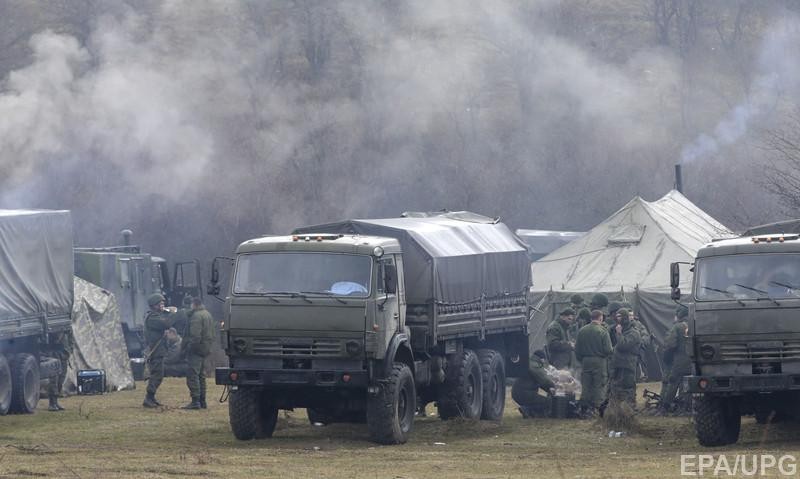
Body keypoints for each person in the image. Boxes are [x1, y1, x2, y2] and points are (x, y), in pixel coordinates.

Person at [143, 293, 179, 408]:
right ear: (154, 305)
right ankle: (149, 398)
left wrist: (167, 312)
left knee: (158, 374)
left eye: (163, 303)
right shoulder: (152, 318)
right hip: (156, 350)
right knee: (157, 375)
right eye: (160, 303)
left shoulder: (157, 315)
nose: (162, 305)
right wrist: (173, 313)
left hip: (159, 350)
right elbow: (166, 323)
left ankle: (151, 398)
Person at [575, 310, 613, 417]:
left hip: (585, 361)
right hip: (599, 361)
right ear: (601, 318)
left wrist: (582, 360)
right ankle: (596, 409)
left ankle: (583, 408)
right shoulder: (603, 331)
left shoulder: (582, 330)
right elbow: (608, 350)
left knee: (586, 385)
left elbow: (577, 349)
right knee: (599, 385)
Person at [181, 297, 215, 409]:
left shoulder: (196, 316)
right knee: (201, 376)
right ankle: (202, 401)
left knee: (192, 375)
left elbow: (195, 336)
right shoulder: (207, 314)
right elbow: (212, 333)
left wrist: (189, 347)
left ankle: (195, 401)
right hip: (205, 348)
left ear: (194, 304)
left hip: (196, 349)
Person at [659, 305, 691, 412]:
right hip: (692, 362)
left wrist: (667, 356)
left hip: (679, 361)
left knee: (673, 383)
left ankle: (665, 407)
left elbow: (671, 344)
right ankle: (685, 408)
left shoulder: (677, 327)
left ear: (679, 315)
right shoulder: (695, 325)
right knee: (686, 384)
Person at [609, 308, 642, 408]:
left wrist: (619, 333)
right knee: (615, 388)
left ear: (625, 318)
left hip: (627, 365)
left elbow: (623, 346)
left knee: (628, 388)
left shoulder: (634, 333)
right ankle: (617, 409)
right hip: (618, 365)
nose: (617, 318)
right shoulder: (619, 330)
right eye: (617, 316)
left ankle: (629, 409)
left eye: (620, 316)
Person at [512, 350, 556, 418]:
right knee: (548, 402)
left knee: (541, 401)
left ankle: (529, 411)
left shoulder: (530, 363)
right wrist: (555, 386)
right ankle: (527, 410)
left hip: (519, 392)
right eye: (544, 359)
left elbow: (540, 382)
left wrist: (549, 389)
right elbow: (545, 380)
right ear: (541, 359)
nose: (544, 361)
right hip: (524, 393)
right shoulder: (534, 365)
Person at [44, 330, 73, 411]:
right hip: (53, 353)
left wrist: (70, 350)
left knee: (61, 378)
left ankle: (56, 402)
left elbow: (70, 337)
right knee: (54, 380)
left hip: (63, 353)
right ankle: (52, 403)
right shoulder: (52, 327)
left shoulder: (66, 326)